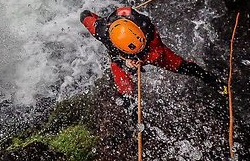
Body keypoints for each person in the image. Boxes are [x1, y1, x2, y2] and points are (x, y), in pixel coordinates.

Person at [80, 6, 217, 95]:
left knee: (183, 66)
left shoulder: (148, 33)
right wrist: (125, 62)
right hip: (120, 55)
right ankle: (135, 121)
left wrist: (139, 61)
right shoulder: (102, 31)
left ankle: (214, 82)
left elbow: (157, 56)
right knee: (126, 91)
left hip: (149, 50)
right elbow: (84, 15)